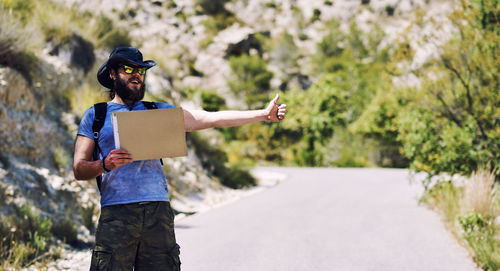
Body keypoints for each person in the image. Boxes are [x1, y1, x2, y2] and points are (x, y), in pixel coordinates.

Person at [73, 47, 287, 271]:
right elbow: (79, 169)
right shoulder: (96, 116)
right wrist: (105, 164)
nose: (136, 74)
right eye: (128, 68)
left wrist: (262, 115)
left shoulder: (158, 111)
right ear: (113, 74)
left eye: (141, 70)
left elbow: (209, 118)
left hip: (158, 213)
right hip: (116, 213)